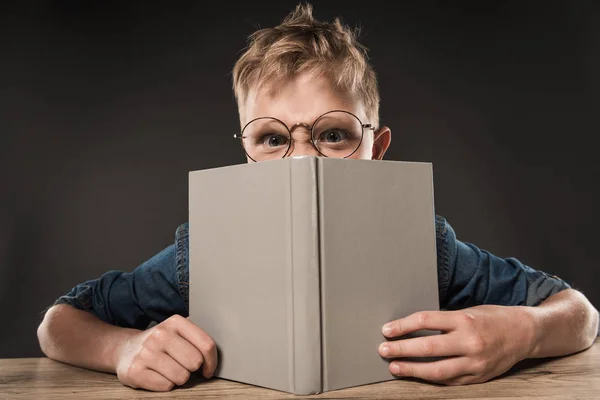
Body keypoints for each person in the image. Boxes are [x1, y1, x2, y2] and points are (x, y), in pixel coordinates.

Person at [37, 2, 599, 393]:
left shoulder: (426, 245)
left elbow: (580, 313)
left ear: (376, 148)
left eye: (333, 134)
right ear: (246, 153)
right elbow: (58, 324)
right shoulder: (202, 252)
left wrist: (522, 334)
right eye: (273, 139)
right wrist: (124, 351)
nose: (303, 160)